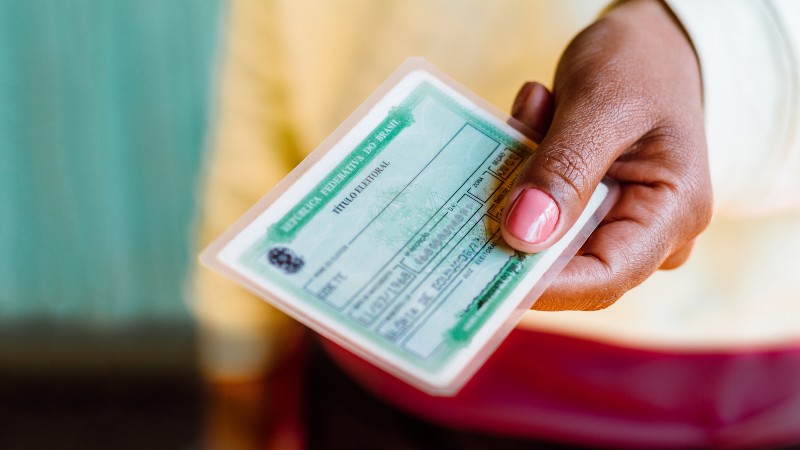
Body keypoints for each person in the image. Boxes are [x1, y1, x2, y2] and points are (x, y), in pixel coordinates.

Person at [192, 0, 800, 448]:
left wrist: (695, 48)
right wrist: (237, 336)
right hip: (375, 347)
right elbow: (268, 57)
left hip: (719, 389)